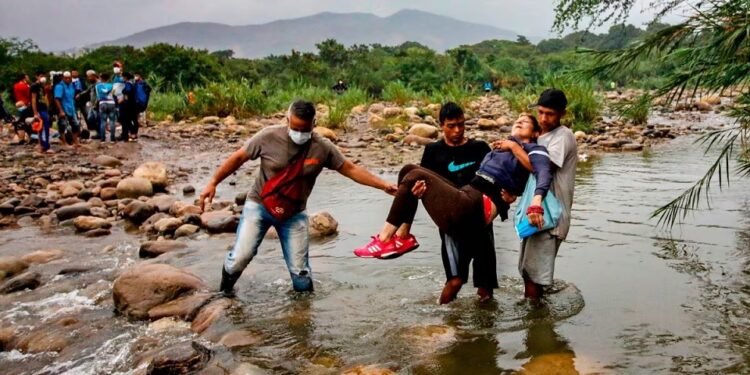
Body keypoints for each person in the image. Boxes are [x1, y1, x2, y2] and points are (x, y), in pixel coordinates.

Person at [199, 100, 397, 296]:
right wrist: (213, 182)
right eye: (295, 128)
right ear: (287, 120)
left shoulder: (322, 147)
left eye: (305, 130)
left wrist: (383, 185)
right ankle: (224, 295)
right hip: (259, 206)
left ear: (314, 124)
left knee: (301, 273)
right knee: (240, 257)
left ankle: (302, 316)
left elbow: (350, 169)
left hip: (294, 214)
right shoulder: (267, 137)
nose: (300, 134)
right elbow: (238, 158)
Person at [354, 114, 554, 303]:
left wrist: (533, 201)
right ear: (441, 126)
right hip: (464, 199)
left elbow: (542, 172)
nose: (519, 122)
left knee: (484, 284)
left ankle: (384, 239)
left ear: (536, 133)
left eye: (525, 122)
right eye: (517, 120)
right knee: (409, 170)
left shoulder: (533, 149)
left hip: (475, 205)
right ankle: (403, 236)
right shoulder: (500, 148)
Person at [417, 102, 498, 303]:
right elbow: (425, 184)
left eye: (461, 125)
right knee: (455, 280)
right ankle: (439, 320)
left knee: (485, 286)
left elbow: (495, 180)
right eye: (451, 125)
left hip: (481, 223)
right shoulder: (433, 151)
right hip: (451, 226)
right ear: (441, 125)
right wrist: (419, 192)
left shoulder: (479, 148)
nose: (457, 130)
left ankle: (485, 330)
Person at [508, 88, 577, 301]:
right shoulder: (542, 137)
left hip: (550, 216)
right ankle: (537, 316)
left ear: (562, 114)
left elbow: (542, 169)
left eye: (550, 114)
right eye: (541, 113)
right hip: (536, 214)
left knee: (533, 276)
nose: (544, 118)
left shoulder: (562, 137)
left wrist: (514, 147)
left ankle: (536, 325)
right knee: (529, 271)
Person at [54, 71, 81, 148]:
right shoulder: (59, 86)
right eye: (66, 78)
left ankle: (75, 141)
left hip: (71, 108)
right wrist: (61, 110)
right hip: (63, 108)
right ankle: (64, 143)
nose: (68, 79)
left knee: (75, 125)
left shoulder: (71, 86)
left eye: (69, 78)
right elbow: (57, 99)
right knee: (62, 126)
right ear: (63, 78)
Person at [30, 71, 53, 153]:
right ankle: (45, 145)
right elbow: (33, 99)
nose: (43, 77)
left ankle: (43, 145)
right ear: (36, 77)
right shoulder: (34, 86)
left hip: (44, 108)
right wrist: (35, 112)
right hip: (39, 109)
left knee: (44, 127)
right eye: (40, 76)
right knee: (42, 127)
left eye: (43, 76)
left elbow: (44, 98)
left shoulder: (42, 86)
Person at [96, 73, 117, 142]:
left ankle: (102, 139)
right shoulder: (112, 86)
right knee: (112, 121)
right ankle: (112, 139)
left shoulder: (98, 86)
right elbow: (114, 94)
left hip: (102, 103)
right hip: (111, 103)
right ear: (108, 79)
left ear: (101, 78)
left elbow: (98, 97)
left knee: (103, 122)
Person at [118, 72, 138, 141]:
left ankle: (130, 133)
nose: (122, 78)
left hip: (127, 105)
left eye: (122, 77)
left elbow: (127, 92)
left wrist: (123, 98)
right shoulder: (132, 83)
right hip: (132, 105)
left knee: (125, 120)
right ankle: (125, 135)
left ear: (125, 77)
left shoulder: (128, 84)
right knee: (128, 120)